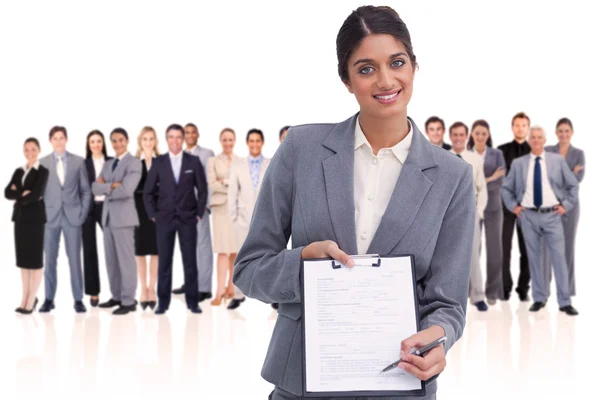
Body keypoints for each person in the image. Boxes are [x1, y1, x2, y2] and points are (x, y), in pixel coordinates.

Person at [233, 6, 475, 399]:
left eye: (397, 62)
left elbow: (448, 304)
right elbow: (248, 270)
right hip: (302, 382)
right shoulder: (300, 150)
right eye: (365, 69)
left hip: (399, 383)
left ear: (414, 66)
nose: (385, 80)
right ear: (346, 80)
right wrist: (301, 264)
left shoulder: (453, 177)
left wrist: (440, 337)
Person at [501, 125, 579, 316]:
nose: (536, 140)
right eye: (533, 137)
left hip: (552, 216)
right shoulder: (519, 163)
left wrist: (565, 206)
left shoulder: (557, 161)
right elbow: (506, 188)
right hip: (528, 216)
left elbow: (573, 185)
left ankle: (564, 301)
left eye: (539, 137)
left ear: (545, 141)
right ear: (529, 141)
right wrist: (515, 207)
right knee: (534, 259)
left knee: (559, 258)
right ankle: (539, 298)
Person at [143, 124, 208, 315]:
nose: (175, 141)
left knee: (190, 262)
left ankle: (192, 301)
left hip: (188, 219)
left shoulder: (193, 161)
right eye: (171, 137)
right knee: (164, 262)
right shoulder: (159, 162)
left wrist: (198, 213)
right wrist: (153, 215)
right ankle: (162, 302)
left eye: (179, 137)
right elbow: (147, 193)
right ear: (166, 139)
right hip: (164, 220)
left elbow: (202, 190)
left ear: (183, 139)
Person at [39, 126, 92, 313]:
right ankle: (48, 298)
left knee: (75, 260)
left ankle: (78, 299)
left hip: (73, 217)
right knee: (50, 260)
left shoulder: (78, 162)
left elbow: (85, 190)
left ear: (66, 139)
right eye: (55, 138)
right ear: (50, 141)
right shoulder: (42, 163)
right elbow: (40, 193)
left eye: (61, 138)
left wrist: (82, 213)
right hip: (50, 218)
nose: (59, 141)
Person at [92, 128, 142, 315]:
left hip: (124, 219)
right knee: (111, 261)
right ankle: (117, 296)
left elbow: (127, 190)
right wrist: (110, 186)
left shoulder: (134, 163)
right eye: (113, 141)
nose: (117, 144)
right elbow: (94, 187)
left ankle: (129, 300)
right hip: (107, 218)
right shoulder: (108, 163)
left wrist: (106, 188)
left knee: (126, 261)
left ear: (127, 140)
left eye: (120, 140)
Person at [228, 128, 271, 310]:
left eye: (257, 141)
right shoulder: (237, 166)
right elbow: (232, 194)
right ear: (247, 143)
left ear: (262, 143)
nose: (254, 144)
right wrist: (234, 218)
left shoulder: (271, 163)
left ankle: (272, 295)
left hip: (267, 221)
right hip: (243, 220)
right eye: (251, 141)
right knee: (240, 257)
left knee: (270, 257)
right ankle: (238, 294)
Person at [171, 123, 215, 303]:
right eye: (186, 133)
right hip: (180, 208)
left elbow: (209, 181)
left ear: (197, 134)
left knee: (202, 246)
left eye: (192, 132)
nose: (189, 135)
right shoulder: (178, 155)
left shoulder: (206, 154)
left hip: (198, 206)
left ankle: (204, 288)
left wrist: (206, 205)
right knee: (187, 247)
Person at [5, 138, 49, 314]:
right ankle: (25, 296)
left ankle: (31, 299)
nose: (29, 152)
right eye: (26, 150)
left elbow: (36, 194)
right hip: (20, 219)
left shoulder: (42, 171)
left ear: (39, 150)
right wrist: (23, 193)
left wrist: (20, 195)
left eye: (33, 149)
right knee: (23, 260)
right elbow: (7, 192)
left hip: (36, 219)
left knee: (35, 260)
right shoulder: (19, 170)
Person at [542, 118, 585, 296]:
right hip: (549, 206)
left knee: (567, 247)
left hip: (570, 207)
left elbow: (577, 180)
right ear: (556, 132)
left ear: (572, 132)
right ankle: (544, 289)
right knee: (545, 248)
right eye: (561, 131)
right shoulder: (547, 151)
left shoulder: (578, 154)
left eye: (567, 131)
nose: (564, 134)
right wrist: (568, 174)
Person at [449, 122, 488, 311]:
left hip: (470, 213)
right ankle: (452, 297)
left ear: (467, 137)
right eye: (454, 134)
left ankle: (478, 295)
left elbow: (482, 190)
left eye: (461, 134)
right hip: (448, 215)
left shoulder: (475, 159)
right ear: (450, 137)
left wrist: (478, 214)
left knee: (473, 255)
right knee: (449, 256)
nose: (458, 138)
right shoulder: (443, 157)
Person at [467, 120, 506, 304]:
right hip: (471, 207)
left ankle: (492, 291)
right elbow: (467, 183)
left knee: (495, 250)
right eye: (477, 133)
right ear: (472, 135)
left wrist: (482, 182)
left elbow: (500, 182)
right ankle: (472, 289)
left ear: (488, 135)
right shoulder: (466, 155)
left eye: (484, 133)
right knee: (472, 249)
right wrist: (489, 178)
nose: (480, 136)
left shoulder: (497, 154)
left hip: (493, 208)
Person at [498, 112, 531, 301]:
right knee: (504, 249)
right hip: (506, 208)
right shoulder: (501, 151)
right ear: (512, 128)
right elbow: (501, 182)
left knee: (528, 250)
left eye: (523, 125)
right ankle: (504, 288)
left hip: (527, 210)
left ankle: (523, 288)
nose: (520, 128)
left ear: (528, 127)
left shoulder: (535, 151)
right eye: (517, 125)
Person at [206, 128, 241, 306]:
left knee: (234, 250)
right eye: (225, 140)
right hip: (220, 209)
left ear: (234, 141)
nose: (228, 143)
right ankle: (219, 291)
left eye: (230, 139)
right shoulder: (213, 161)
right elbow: (212, 184)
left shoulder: (240, 161)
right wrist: (230, 183)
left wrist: (224, 182)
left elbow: (241, 185)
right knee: (222, 250)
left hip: (236, 209)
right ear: (220, 141)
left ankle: (230, 287)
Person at [82, 130, 113, 307]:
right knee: (89, 249)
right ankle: (93, 292)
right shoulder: (83, 163)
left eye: (99, 141)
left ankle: (120, 290)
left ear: (103, 143)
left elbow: (116, 185)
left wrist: (104, 188)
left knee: (113, 247)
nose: (96, 144)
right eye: (92, 141)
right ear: (88, 144)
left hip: (107, 207)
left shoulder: (111, 162)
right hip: (88, 209)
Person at [134, 127, 160, 310]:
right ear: (140, 141)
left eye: (151, 139)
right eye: (145, 139)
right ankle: (143, 289)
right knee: (140, 252)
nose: (148, 142)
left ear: (155, 141)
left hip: (157, 212)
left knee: (156, 252)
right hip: (137, 212)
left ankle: (153, 289)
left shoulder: (162, 163)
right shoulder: (135, 163)